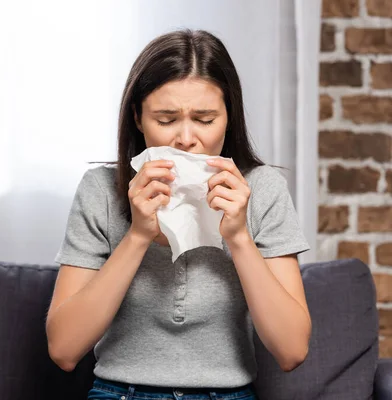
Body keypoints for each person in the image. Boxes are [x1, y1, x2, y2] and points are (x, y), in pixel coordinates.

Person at [45, 29, 311, 400]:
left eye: (204, 119)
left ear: (229, 118)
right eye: (166, 119)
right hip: (120, 392)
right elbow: (64, 349)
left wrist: (238, 238)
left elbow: (292, 350)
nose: (186, 139)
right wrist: (137, 236)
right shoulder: (100, 190)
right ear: (137, 118)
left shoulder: (263, 188)